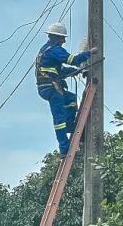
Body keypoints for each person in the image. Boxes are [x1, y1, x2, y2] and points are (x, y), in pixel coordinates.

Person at [34, 22, 96, 155]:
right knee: (59, 117)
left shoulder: (45, 49)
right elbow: (72, 59)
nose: (64, 41)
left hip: (49, 86)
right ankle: (64, 148)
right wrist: (89, 53)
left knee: (71, 99)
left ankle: (70, 126)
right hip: (51, 88)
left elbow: (58, 70)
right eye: (62, 38)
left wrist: (76, 71)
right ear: (56, 37)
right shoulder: (55, 50)